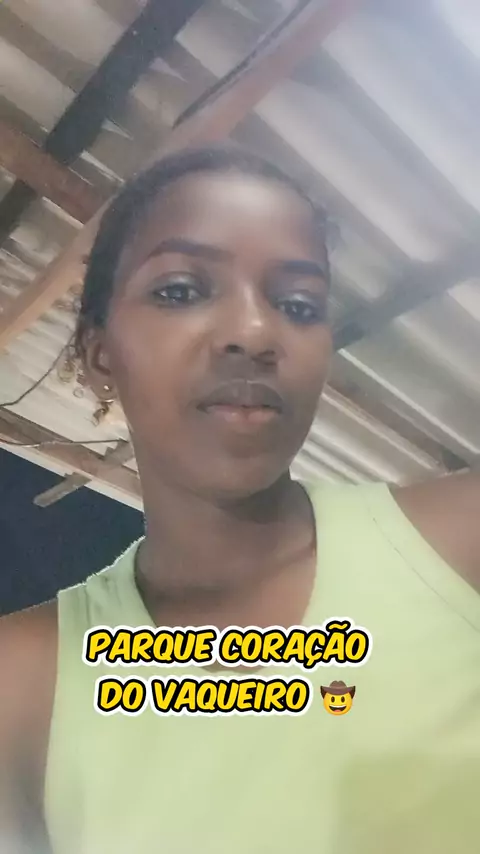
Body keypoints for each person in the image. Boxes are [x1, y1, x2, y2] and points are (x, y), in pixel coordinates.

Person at [0, 145, 479, 854]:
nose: (254, 333)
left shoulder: (460, 541)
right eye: (180, 291)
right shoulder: (24, 681)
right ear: (101, 353)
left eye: (298, 304)